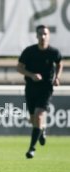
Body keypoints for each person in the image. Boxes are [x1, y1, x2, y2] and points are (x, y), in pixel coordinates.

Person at [17, 25, 63, 159]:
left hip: (46, 88)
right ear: (36, 36)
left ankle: (31, 148)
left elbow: (60, 63)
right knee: (33, 119)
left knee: (38, 116)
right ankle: (41, 129)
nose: (43, 37)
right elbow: (19, 67)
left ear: (48, 35)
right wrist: (31, 75)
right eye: (40, 34)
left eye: (45, 34)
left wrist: (57, 77)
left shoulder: (53, 52)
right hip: (31, 88)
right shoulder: (29, 51)